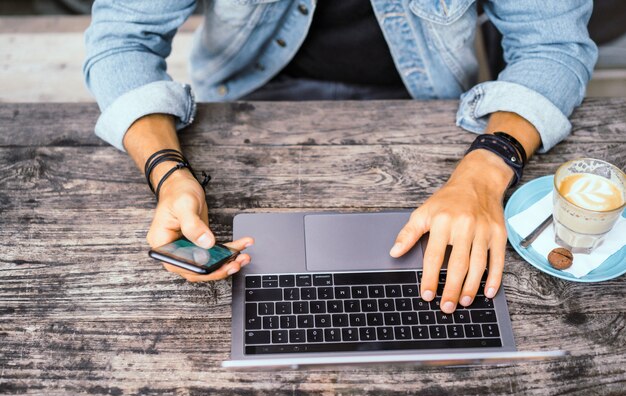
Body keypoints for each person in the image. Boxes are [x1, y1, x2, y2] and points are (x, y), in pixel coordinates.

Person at [83, 0, 597, 314]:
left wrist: (486, 170)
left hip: (431, 115)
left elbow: (554, 44)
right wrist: (167, 172)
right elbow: (121, 39)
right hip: (240, 107)